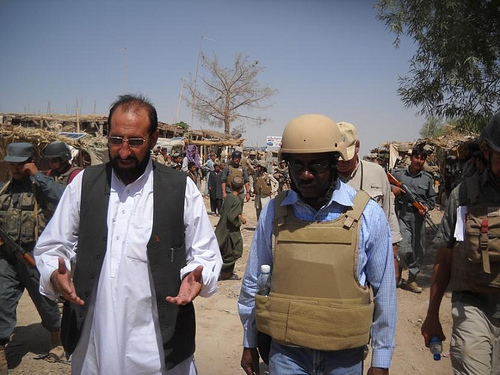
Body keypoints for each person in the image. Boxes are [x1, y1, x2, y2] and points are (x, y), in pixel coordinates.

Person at [34, 94, 222, 375]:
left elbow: (206, 254)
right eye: (115, 140)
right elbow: (52, 246)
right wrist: (54, 271)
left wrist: (198, 276)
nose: (123, 151)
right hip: (94, 342)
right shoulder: (84, 184)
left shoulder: (180, 189)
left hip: (159, 346)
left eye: (134, 141)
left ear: (154, 138)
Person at [238, 114, 396, 375]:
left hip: (344, 358)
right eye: (297, 166)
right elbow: (254, 280)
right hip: (287, 354)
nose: (306, 174)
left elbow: (385, 293)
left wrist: (381, 360)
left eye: (317, 165)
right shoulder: (274, 214)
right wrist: (249, 342)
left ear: (335, 163)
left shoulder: (368, 214)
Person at [421, 112, 500, 375]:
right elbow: (445, 256)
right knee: (469, 358)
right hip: (474, 305)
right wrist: (432, 315)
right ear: (487, 153)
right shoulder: (466, 195)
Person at [0, 143, 65, 373]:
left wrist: (36, 174)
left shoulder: (41, 186)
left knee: (46, 301)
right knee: (1, 300)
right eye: (12, 163)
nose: (15, 168)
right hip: (7, 258)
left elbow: (61, 197)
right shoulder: (4, 189)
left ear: (29, 162)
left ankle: (57, 339)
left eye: (19, 164)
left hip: (34, 256)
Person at [337, 121, 403, 284]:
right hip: (336, 254)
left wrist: (394, 254)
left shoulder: (377, 173)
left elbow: (389, 213)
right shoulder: (325, 176)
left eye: (346, 154)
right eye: (337, 156)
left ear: (357, 146)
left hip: (371, 253)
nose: (342, 161)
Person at [391, 146, 437, 293]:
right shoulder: (398, 174)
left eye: (422, 159)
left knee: (418, 250)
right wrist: (394, 189)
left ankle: (411, 280)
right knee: (403, 249)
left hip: (419, 218)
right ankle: (397, 276)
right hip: (402, 216)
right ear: (411, 158)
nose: (419, 161)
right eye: (416, 157)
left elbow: (432, 199)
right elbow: (387, 185)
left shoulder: (427, 178)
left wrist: (426, 207)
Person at [215, 176, 247, 281]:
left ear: (230, 185)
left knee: (224, 250)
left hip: (221, 228)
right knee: (235, 251)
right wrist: (240, 221)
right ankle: (224, 272)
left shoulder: (228, 197)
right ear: (242, 187)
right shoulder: (237, 200)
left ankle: (226, 271)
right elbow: (231, 217)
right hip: (230, 231)